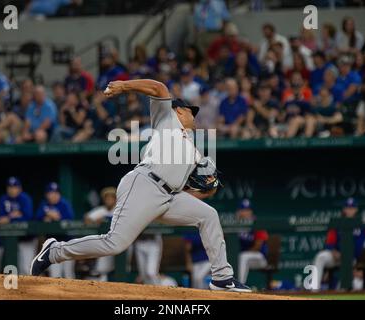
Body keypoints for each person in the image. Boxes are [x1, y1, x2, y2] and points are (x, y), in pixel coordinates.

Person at [30, 79, 252, 292]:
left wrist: (209, 187)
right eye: (191, 111)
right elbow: (159, 87)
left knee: (208, 216)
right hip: (145, 184)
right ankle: (54, 251)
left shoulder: (192, 150)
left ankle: (222, 278)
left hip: (169, 196)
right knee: (114, 244)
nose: (194, 116)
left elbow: (199, 190)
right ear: (180, 111)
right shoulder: (168, 120)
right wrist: (124, 86)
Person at [313, 197, 365, 291]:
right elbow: (329, 242)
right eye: (348, 208)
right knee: (320, 257)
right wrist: (333, 251)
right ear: (344, 209)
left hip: (352, 258)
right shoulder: (337, 223)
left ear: (356, 209)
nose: (350, 210)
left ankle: (344, 290)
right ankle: (314, 289)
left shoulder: (362, 225)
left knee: (352, 279)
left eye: (352, 208)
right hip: (337, 256)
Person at [36, 182, 75, 279]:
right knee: (55, 275)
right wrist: (46, 217)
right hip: (52, 245)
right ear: (46, 195)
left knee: (68, 273)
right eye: (51, 193)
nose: (53, 195)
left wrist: (57, 218)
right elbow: (36, 218)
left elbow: (70, 220)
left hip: (67, 243)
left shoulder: (64, 204)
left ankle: (71, 294)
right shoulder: (44, 204)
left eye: (56, 193)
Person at [0, 177, 35, 275]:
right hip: (12, 241)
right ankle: (20, 290)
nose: (12, 189)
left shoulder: (25, 198)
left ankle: (32, 290)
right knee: (14, 269)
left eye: (15, 187)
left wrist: (9, 218)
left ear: (20, 188)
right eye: (10, 187)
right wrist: (15, 215)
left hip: (27, 239)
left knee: (26, 268)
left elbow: (28, 216)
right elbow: (1, 218)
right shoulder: (3, 199)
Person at [84, 187, 117, 281]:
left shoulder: (119, 209)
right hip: (107, 242)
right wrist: (96, 222)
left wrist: (106, 220)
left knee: (121, 268)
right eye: (107, 198)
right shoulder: (102, 210)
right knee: (102, 269)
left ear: (115, 199)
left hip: (120, 242)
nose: (109, 200)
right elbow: (86, 218)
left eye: (111, 197)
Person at [236, 199, 268, 285]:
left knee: (243, 257)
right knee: (241, 258)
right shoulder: (235, 224)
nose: (246, 213)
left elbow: (258, 246)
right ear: (238, 212)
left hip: (261, 258)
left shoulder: (257, 223)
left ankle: (240, 285)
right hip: (243, 258)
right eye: (243, 210)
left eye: (248, 210)